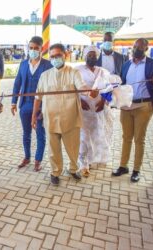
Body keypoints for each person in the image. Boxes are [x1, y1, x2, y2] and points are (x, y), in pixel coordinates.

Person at [32, 43, 95, 186]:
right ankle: (55, 172)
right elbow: (37, 97)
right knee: (53, 149)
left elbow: (82, 87)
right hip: (51, 119)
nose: (55, 59)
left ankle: (73, 169)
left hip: (70, 120)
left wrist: (90, 92)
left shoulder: (73, 73)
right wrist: (34, 116)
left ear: (65, 55)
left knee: (73, 148)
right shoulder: (45, 75)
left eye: (58, 55)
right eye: (52, 56)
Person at [112, 38, 153, 182]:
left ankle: (136, 170)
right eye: (135, 46)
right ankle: (123, 166)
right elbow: (121, 84)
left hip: (144, 106)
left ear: (146, 49)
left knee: (139, 139)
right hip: (126, 106)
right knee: (126, 137)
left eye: (140, 47)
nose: (136, 49)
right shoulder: (126, 65)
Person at [11, 36, 52, 171]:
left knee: (40, 133)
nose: (33, 50)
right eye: (31, 48)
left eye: (36, 48)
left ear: (41, 49)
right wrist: (13, 102)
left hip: (41, 106)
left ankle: (38, 160)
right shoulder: (23, 64)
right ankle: (27, 157)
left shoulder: (48, 65)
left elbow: (51, 87)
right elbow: (17, 83)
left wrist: (47, 108)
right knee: (26, 133)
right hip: (25, 105)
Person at [76, 46, 113, 177]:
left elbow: (110, 89)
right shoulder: (77, 70)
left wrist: (103, 102)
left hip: (99, 109)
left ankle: (92, 160)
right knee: (83, 137)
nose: (92, 58)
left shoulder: (103, 72)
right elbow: (72, 88)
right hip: (83, 109)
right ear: (85, 56)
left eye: (94, 55)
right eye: (90, 55)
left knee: (97, 135)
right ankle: (83, 163)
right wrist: (80, 102)